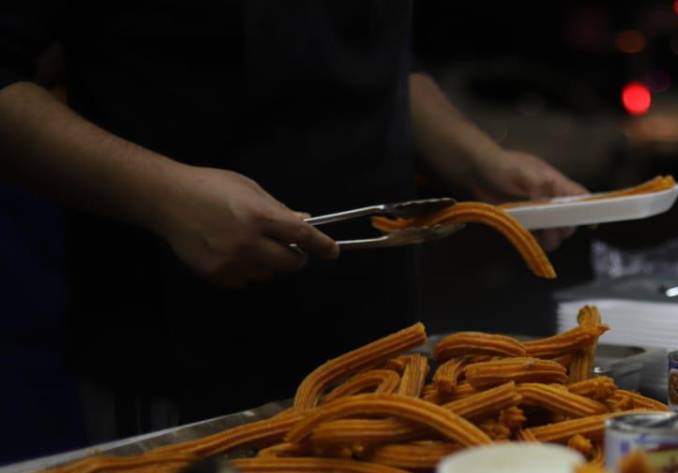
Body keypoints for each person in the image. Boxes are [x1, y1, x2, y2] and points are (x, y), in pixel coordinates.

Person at [0, 3, 582, 442]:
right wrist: (165, 196)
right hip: (181, 353)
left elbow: (372, 51)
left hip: (381, 350)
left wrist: (476, 160)